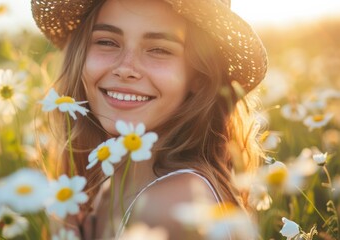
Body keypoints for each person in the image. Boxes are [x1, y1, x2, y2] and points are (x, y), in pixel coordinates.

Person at [32, 0, 267, 239]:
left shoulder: (174, 204)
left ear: (199, 75)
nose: (125, 68)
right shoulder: (106, 190)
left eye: (159, 49)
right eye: (106, 42)